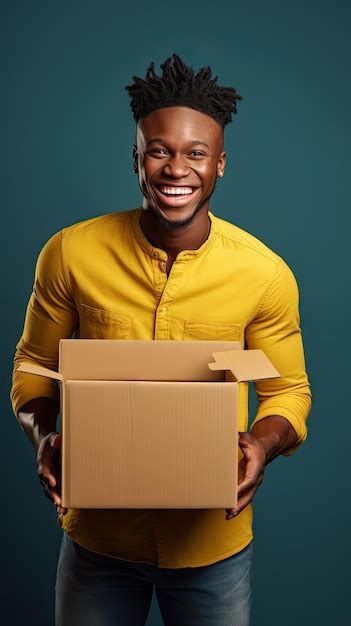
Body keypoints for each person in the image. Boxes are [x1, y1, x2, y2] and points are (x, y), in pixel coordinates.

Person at [10, 53, 312, 626]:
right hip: (97, 541)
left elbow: (289, 392)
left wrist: (262, 447)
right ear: (136, 159)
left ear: (220, 164)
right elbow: (33, 364)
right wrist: (44, 435)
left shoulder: (264, 273)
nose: (177, 169)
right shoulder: (70, 254)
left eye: (196, 153)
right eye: (160, 150)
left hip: (212, 547)